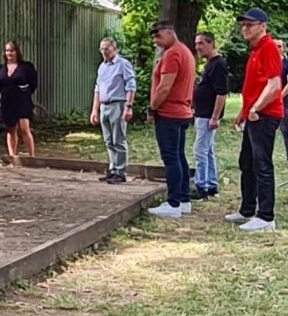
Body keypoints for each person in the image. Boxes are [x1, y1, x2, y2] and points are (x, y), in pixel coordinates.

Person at [223, 10, 285, 232]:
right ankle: (247, 209)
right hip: (253, 114)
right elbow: (255, 85)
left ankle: (266, 216)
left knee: (261, 163)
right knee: (247, 162)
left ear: (263, 26)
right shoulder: (256, 50)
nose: (245, 29)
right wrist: (244, 110)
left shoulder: (268, 48)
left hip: (265, 115)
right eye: (243, 25)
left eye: (250, 25)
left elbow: (274, 84)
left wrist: (256, 108)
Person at [144, 23, 196, 218]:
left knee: (171, 158)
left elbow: (165, 87)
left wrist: (152, 108)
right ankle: (183, 200)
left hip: (170, 113)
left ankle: (173, 203)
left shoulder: (173, 53)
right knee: (179, 156)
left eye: (158, 36)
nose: (156, 41)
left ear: (170, 32)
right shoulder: (186, 52)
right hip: (182, 112)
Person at [190, 33, 229, 200]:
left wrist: (215, 117)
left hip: (208, 115)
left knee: (200, 151)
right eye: (196, 43)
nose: (198, 47)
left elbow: (221, 93)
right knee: (208, 150)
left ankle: (201, 186)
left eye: (201, 43)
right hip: (202, 113)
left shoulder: (218, 64)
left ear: (211, 44)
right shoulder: (209, 64)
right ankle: (212, 184)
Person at [91, 37, 136, 184]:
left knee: (118, 138)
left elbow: (131, 85)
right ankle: (113, 168)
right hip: (105, 104)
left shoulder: (123, 64)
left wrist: (128, 106)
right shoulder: (102, 67)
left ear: (114, 49)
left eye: (107, 48)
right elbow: (98, 89)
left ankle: (121, 171)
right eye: (102, 49)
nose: (104, 52)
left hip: (119, 103)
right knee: (109, 140)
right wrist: (94, 110)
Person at [0, 41, 39, 167]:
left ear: (17, 52)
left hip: (22, 100)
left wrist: (24, 91)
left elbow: (33, 83)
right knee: (10, 130)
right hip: (7, 102)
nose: (9, 53)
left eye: (11, 50)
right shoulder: (1, 68)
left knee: (24, 128)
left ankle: (32, 157)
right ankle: (13, 157)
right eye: (7, 50)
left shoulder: (26, 66)